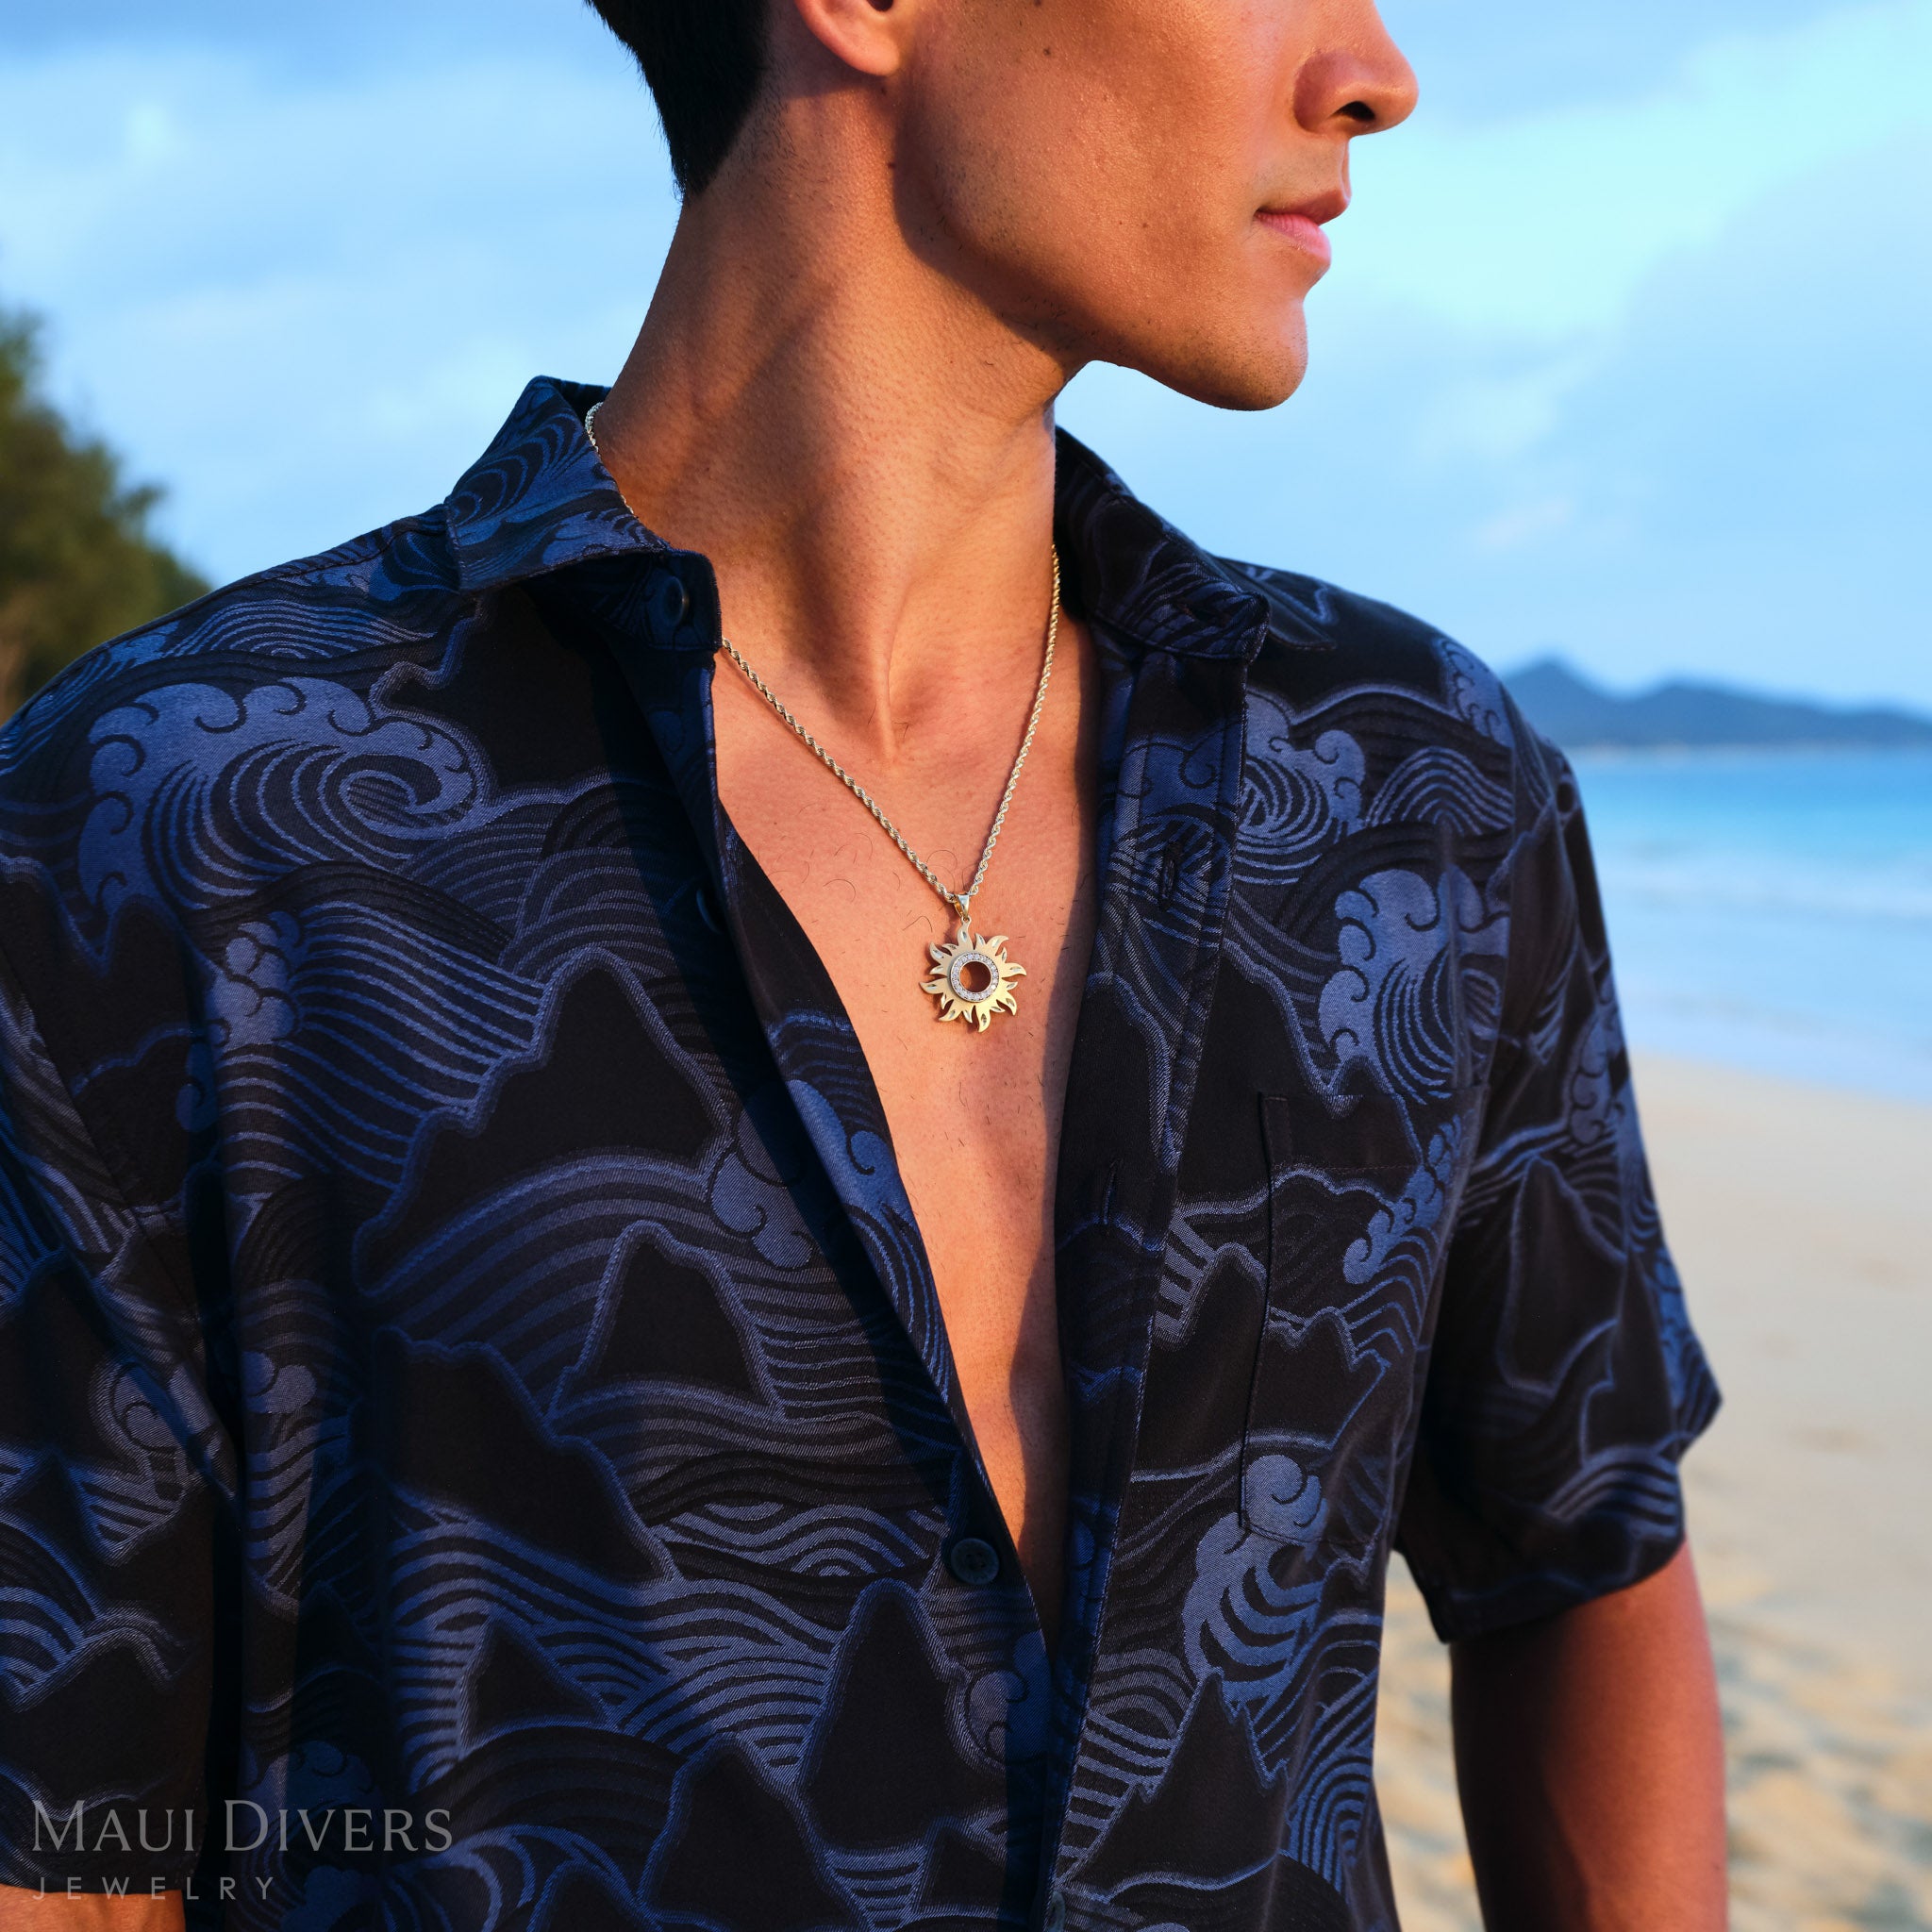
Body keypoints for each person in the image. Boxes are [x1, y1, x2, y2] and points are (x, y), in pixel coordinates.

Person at [0, 0, 1728, 1926]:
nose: (1375, 70)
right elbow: (70, 1819)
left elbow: (1575, 1552)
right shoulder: (182, 824)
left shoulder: (1409, 794)